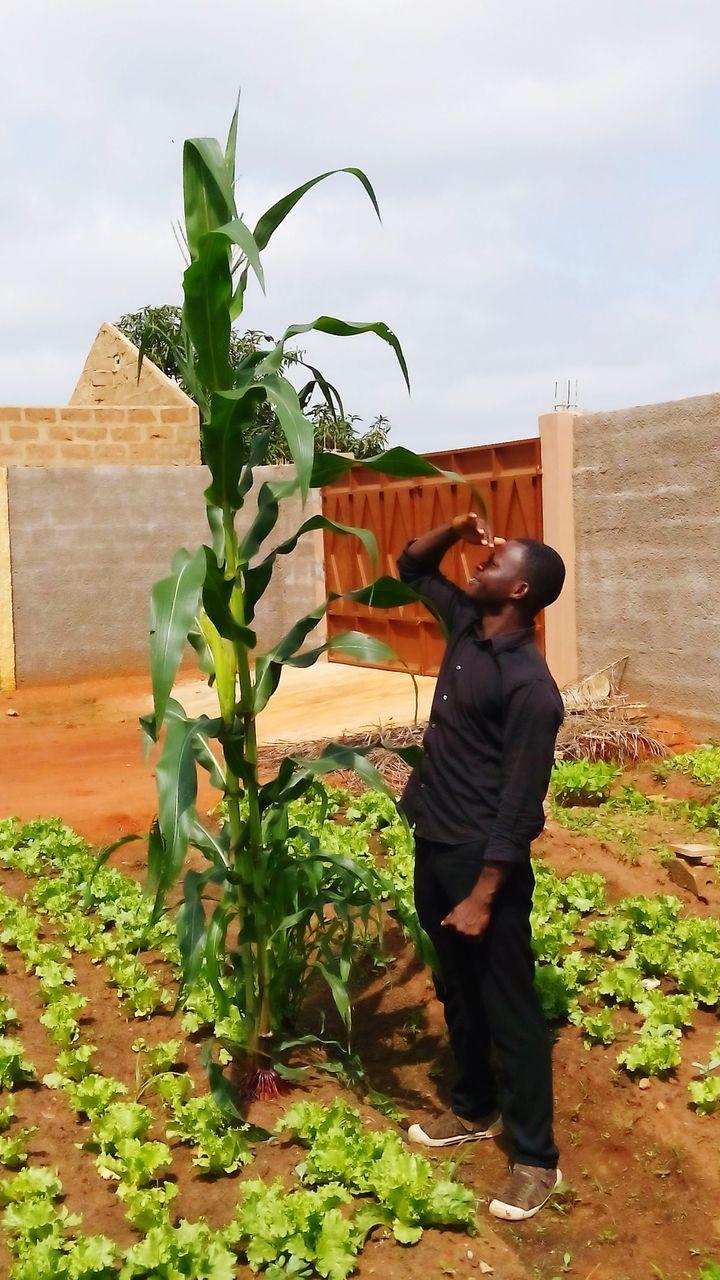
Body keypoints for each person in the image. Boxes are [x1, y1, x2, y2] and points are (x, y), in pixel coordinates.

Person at [397, 510, 566, 1222]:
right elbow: (412, 565)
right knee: (456, 990)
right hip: (434, 838)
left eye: (498, 561)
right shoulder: (467, 624)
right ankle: (471, 1105)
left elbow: (522, 805)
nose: (483, 561)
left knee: (509, 1007)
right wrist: (459, 527)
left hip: (479, 859)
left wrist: (484, 894)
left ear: (520, 589)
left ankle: (535, 1159)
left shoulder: (531, 687)